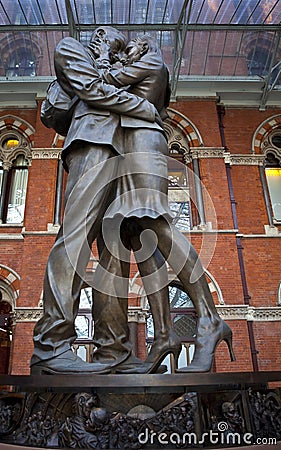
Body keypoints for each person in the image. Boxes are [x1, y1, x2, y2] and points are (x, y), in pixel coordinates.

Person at [92, 34, 235, 373]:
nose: (122, 56)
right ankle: (165, 335)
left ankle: (210, 319)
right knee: (139, 237)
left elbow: (105, 83)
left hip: (143, 144)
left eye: (126, 51)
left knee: (155, 222)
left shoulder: (152, 62)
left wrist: (101, 56)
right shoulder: (142, 63)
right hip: (126, 150)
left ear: (142, 47)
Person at [30, 27, 161, 375]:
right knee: (75, 238)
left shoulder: (114, 69)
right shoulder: (71, 49)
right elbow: (92, 90)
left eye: (118, 49)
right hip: (91, 145)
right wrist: (142, 107)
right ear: (98, 38)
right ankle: (51, 344)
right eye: (111, 44)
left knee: (115, 253)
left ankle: (112, 351)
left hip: (122, 151)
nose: (114, 53)